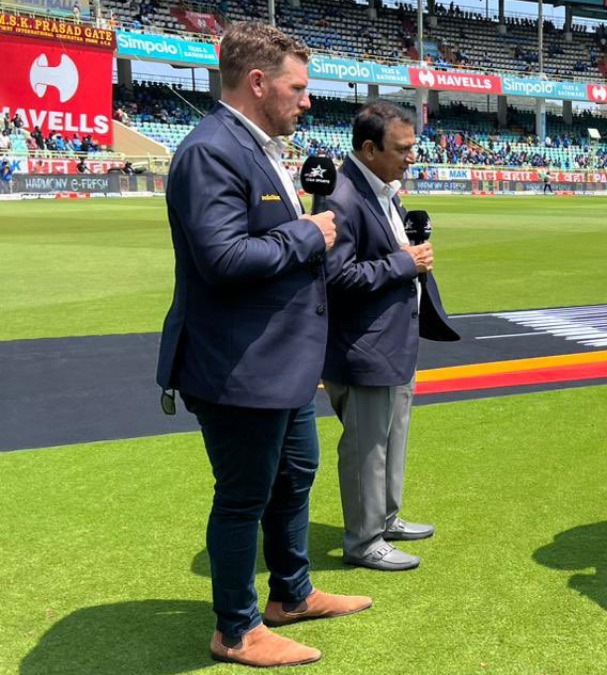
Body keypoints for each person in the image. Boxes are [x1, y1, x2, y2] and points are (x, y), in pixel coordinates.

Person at [155, 21, 370, 667]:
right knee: (243, 496)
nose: (308, 101)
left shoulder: (253, 146)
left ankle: (292, 593)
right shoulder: (209, 150)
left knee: (295, 475)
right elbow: (222, 257)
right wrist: (309, 233)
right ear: (257, 82)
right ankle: (236, 629)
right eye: (298, 87)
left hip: (281, 362)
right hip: (236, 365)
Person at [322, 100, 459, 572]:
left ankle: (386, 519)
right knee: (366, 448)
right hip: (364, 346)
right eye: (402, 149)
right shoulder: (341, 196)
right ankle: (363, 541)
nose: (411, 156)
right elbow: (335, 277)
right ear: (368, 148)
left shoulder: (382, 189)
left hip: (394, 339)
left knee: (392, 438)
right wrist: (406, 262)